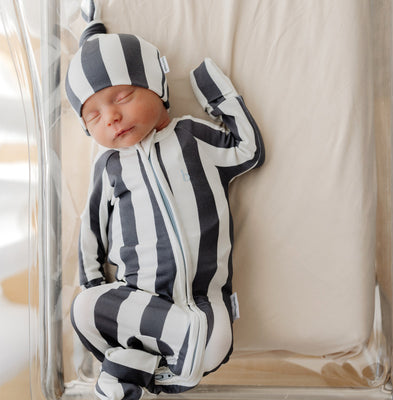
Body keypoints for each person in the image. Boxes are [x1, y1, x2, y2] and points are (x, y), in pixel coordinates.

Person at [66, 2, 265, 399]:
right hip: (139, 302)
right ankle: (148, 366)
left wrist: (214, 91)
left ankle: (141, 369)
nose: (111, 118)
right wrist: (94, 287)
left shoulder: (191, 136)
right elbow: (92, 232)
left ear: (156, 86)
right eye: (92, 116)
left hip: (205, 306)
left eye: (122, 96)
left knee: (212, 347)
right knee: (84, 308)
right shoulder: (109, 167)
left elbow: (248, 151)